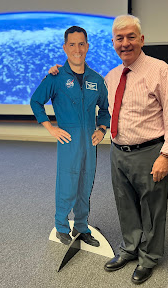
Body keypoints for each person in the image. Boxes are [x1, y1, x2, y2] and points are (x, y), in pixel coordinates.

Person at [48, 15, 168, 284]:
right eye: (119, 38)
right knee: (125, 205)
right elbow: (88, 93)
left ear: (142, 39)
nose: (125, 43)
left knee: (152, 209)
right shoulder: (111, 77)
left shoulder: (161, 71)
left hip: (150, 152)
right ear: (113, 42)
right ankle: (130, 248)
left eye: (131, 36)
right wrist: (56, 73)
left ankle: (149, 258)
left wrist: (166, 155)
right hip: (118, 152)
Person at [30, 26, 110, 247]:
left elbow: (104, 110)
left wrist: (101, 130)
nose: (77, 49)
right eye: (72, 44)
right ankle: (61, 226)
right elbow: (36, 101)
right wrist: (50, 128)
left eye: (81, 44)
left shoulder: (97, 79)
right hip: (69, 140)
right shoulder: (55, 77)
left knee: (85, 185)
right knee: (67, 184)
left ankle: (82, 226)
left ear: (87, 46)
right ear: (65, 47)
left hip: (90, 143)